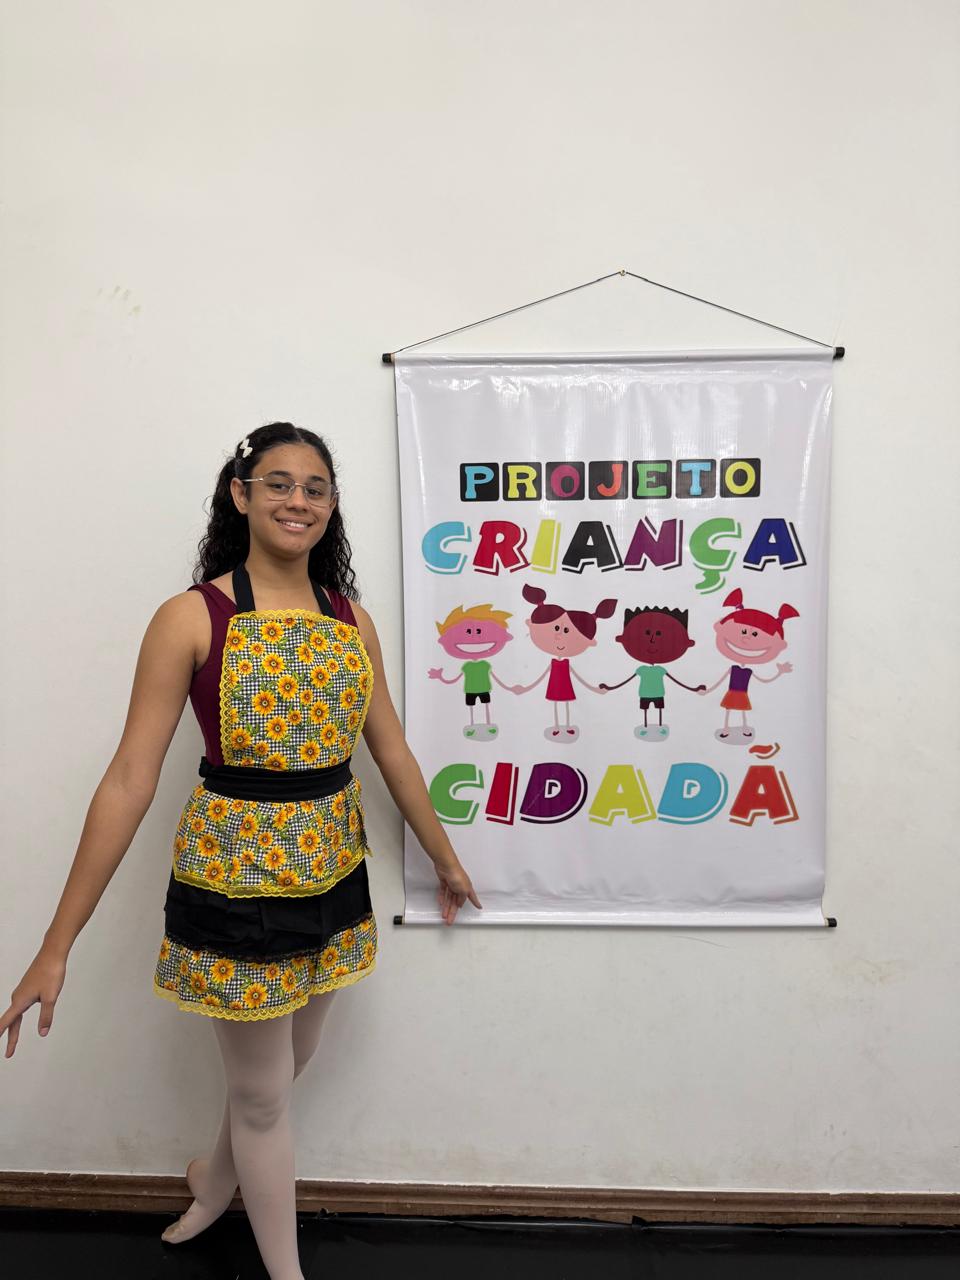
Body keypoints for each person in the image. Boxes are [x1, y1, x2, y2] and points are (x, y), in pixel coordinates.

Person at [0, 422, 481, 1280]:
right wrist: (55, 945)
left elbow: (393, 753)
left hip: (332, 864)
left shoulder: (351, 621)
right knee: (262, 1096)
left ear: (332, 505)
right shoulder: (191, 617)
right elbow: (129, 780)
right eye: (279, 484)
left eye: (316, 488)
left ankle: (213, 1182)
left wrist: (444, 858)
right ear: (241, 494)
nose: (299, 501)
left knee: (287, 1069)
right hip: (235, 873)